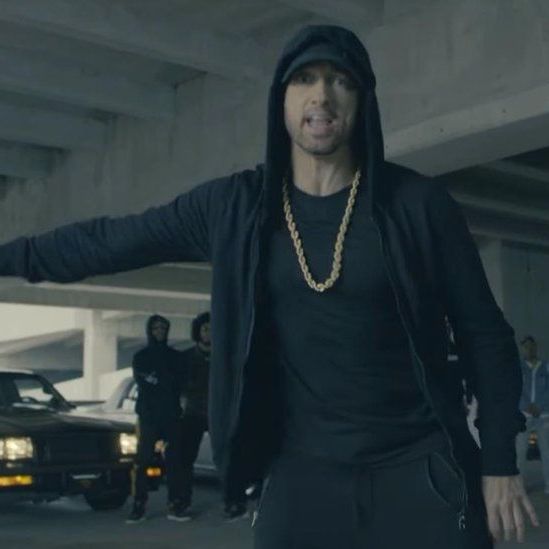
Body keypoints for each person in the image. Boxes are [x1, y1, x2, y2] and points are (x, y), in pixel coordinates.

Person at [0, 25, 539, 547]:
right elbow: (109, 242)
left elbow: (485, 336)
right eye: (304, 79)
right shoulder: (236, 208)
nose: (322, 96)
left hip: (419, 470)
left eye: (341, 80)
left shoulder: (417, 206)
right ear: (281, 100)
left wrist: (498, 463)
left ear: (363, 101)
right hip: (303, 479)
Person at [178, 311, 249, 520]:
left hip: (219, 412)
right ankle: (181, 502)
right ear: (198, 332)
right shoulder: (186, 358)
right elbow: (178, 386)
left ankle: (234, 502)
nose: (209, 333)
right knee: (184, 458)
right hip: (193, 412)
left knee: (227, 457)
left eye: (212, 329)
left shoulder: (225, 358)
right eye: (205, 329)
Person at [128, 314, 189, 523]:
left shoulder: (176, 357)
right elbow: (147, 382)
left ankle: (175, 504)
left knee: (175, 462)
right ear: (150, 331)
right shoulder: (141, 357)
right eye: (156, 328)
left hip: (171, 415)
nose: (160, 332)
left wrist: (164, 385)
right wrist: (165, 384)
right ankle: (138, 506)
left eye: (163, 328)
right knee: (143, 461)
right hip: (149, 416)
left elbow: (179, 383)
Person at [516, 335, 549, 495]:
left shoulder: (546, 367)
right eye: (526, 347)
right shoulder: (518, 368)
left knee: (546, 451)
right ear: (522, 349)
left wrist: (540, 406)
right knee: (520, 452)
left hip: (544, 417)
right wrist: (526, 406)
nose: (529, 349)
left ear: (536, 347)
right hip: (524, 416)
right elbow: (515, 389)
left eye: (531, 346)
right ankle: (520, 487)